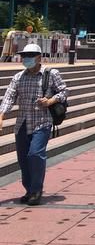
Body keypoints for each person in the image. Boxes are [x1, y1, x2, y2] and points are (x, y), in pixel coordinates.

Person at [0, 43, 68, 205]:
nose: (26, 59)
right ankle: (29, 190)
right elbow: (9, 97)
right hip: (23, 123)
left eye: (30, 56)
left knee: (35, 154)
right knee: (23, 159)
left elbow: (64, 92)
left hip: (42, 122)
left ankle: (36, 190)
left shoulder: (50, 74)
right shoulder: (18, 77)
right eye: (24, 56)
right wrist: (1, 115)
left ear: (39, 58)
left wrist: (50, 100)